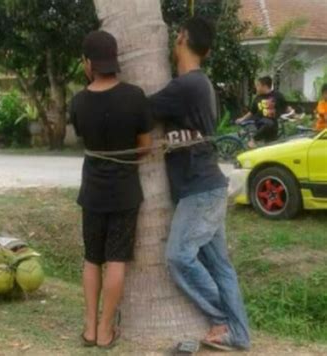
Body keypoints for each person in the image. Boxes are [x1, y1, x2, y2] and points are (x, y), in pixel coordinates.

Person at [150, 17, 251, 351]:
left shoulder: (187, 85)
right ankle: (239, 333)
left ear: (181, 38)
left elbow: (141, 111)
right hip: (207, 186)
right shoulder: (198, 84)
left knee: (179, 255)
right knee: (220, 266)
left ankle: (223, 319)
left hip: (200, 189)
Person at [69, 30, 152, 349]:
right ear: (113, 60)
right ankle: (106, 331)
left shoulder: (78, 101)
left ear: (88, 63)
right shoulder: (135, 96)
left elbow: (84, 139)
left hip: (92, 192)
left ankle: (89, 329)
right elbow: (144, 147)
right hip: (125, 192)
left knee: (92, 259)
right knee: (116, 260)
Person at [236, 76, 287, 148]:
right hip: (260, 122)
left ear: (265, 86)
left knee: (270, 146)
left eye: (258, 85)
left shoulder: (278, 96)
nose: (256, 87)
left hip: (272, 126)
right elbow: (252, 112)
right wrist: (242, 119)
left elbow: (286, 107)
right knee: (269, 123)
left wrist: (294, 115)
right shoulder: (258, 98)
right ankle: (253, 140)